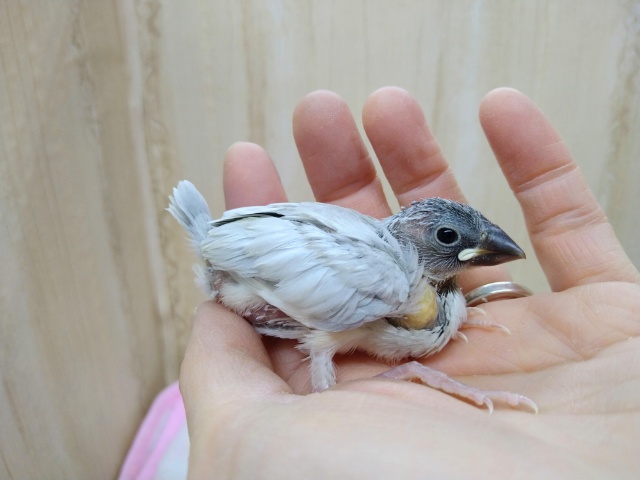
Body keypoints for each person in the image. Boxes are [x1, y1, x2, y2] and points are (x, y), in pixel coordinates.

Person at [179, 87, 640, 478]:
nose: (473, 253)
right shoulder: (392, 282)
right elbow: (327, 357)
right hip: (239, 264)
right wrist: (411, 372)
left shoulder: (411, 284)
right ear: (420, 243)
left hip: (251, 254)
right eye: (447, 238)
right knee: (337, 334)